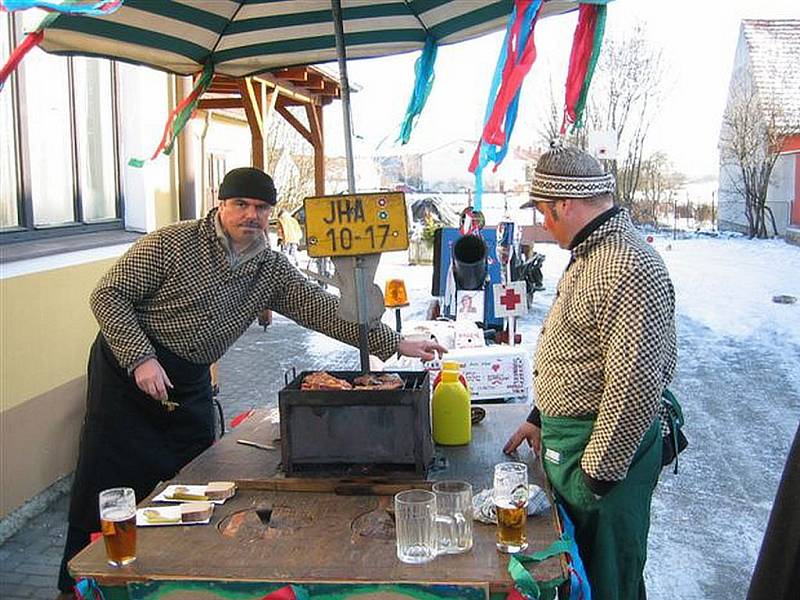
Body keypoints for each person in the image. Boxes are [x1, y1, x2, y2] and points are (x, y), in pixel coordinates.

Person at [56, 167, 446, 599]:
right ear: (221, 204)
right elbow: (108, 295)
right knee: (107, 480)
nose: (251, 215)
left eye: (261, 207)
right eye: (241, 204)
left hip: (187, 381)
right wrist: (140, 358)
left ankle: (178, 579)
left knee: (195, 477)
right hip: (127, 375)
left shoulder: (270, 269)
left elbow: (320, 309)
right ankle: (78, 587)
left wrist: (394, 343)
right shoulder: (171, 242)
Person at [503, 145, 676, 599]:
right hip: (578, 449)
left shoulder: (627, 264)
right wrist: (540, 417)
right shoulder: (591, 255)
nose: (542, 222)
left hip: (605, 462)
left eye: (543, 210)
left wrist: (594, 480)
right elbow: (581, 357)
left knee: (608, 582)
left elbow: (634, 387)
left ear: (565, 203)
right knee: (578, 576)